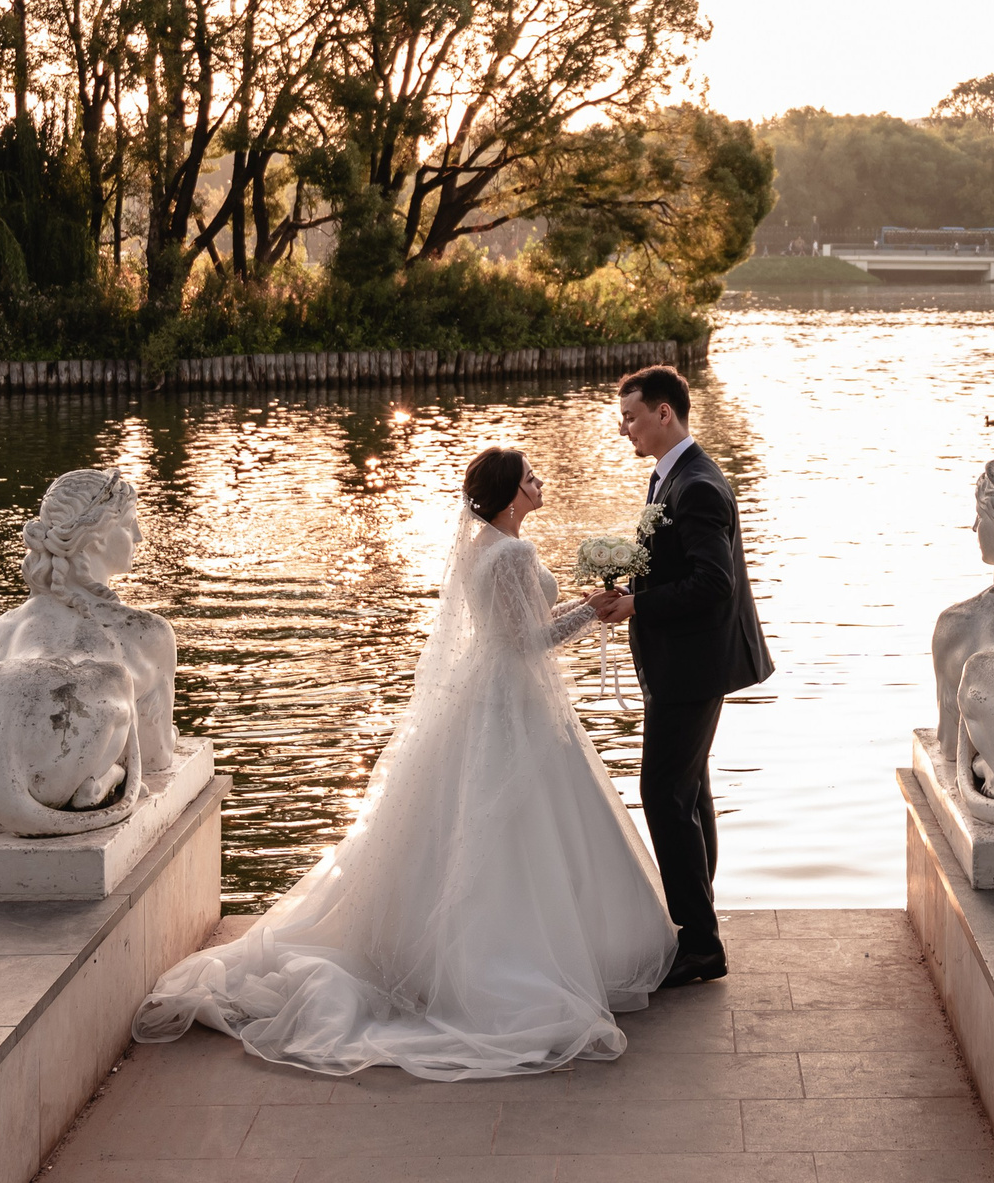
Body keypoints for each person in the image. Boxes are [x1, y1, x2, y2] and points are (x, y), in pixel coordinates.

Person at [132, 447, 679, 1078]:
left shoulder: (485, 549)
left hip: (492, 694)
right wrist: (595, 609)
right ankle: (518, 961)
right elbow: (528, 643)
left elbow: (512, 629)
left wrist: (579, 602)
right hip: (513, 703)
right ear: (509, 496)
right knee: (522, 828)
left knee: (484, 825)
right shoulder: (514, 553)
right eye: (530, 477)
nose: (539, 481)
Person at [590, 365, 777, 988]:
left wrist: (639, 604)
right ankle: (699, 930)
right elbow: (673, 565)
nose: (626, 430)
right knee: (688, 794)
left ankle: (700, 943)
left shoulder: (696, 485)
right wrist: (628, 585)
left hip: (692, 667)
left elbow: (713, 584)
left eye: (632, 417)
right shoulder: (670, 477)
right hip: (683, 663)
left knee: (663, 795)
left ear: (664, 413)